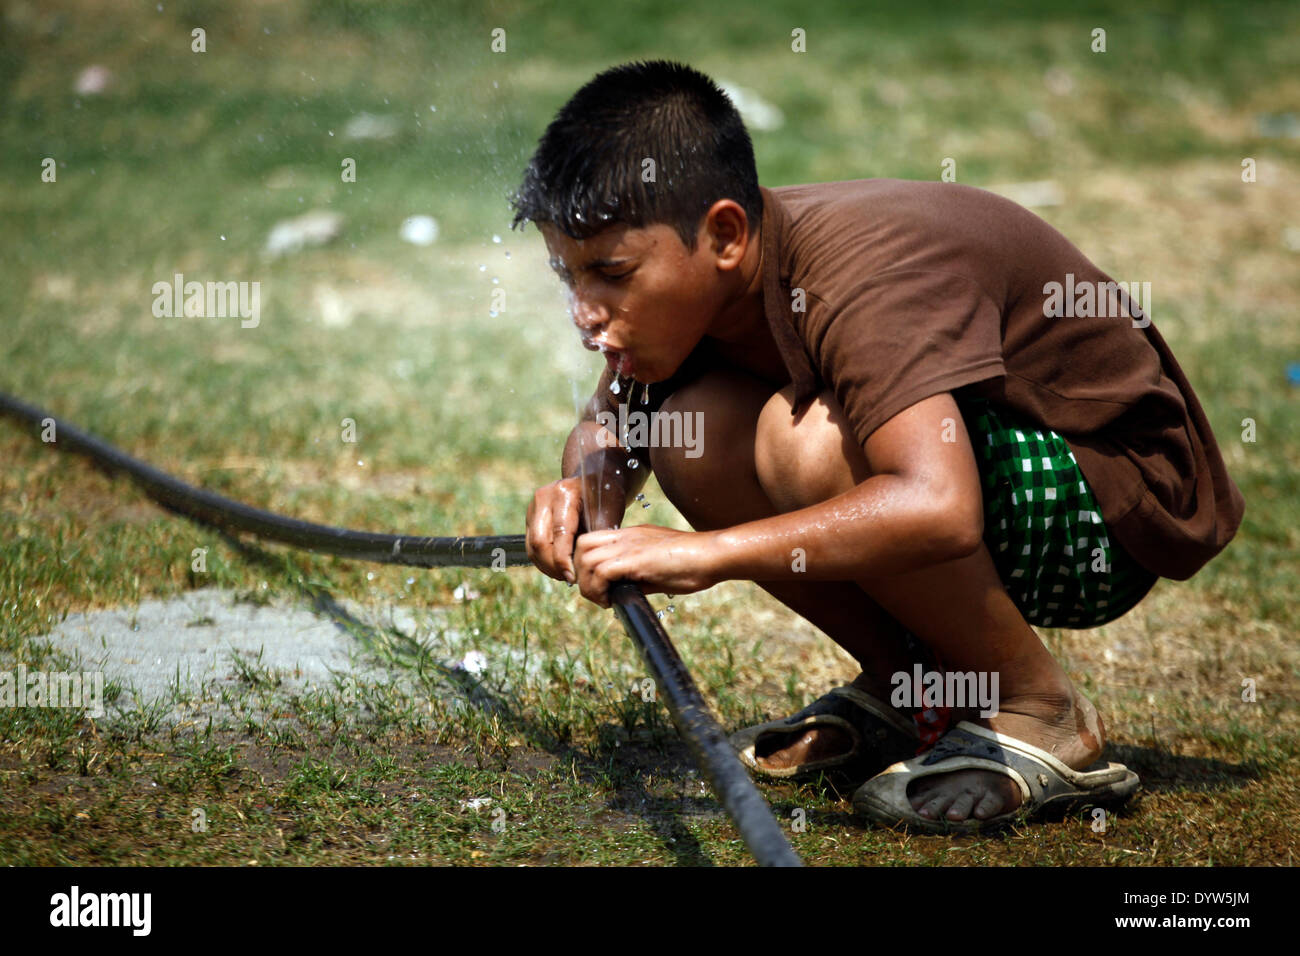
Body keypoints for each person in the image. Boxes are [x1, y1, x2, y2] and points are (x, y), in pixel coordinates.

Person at [513, 60, 1245, 831]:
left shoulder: (857, 278)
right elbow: (615, 422)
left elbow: (939, 508)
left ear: (724, 234)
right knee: (691, 433)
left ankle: (1039, 709)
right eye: (568, 276)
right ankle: (920, 690)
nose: (583, 313)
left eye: (611, 274)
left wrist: (706, 554)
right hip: (984, 485)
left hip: (1107, 500)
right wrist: (586, 489)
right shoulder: (701, 289)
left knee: (807, 445)